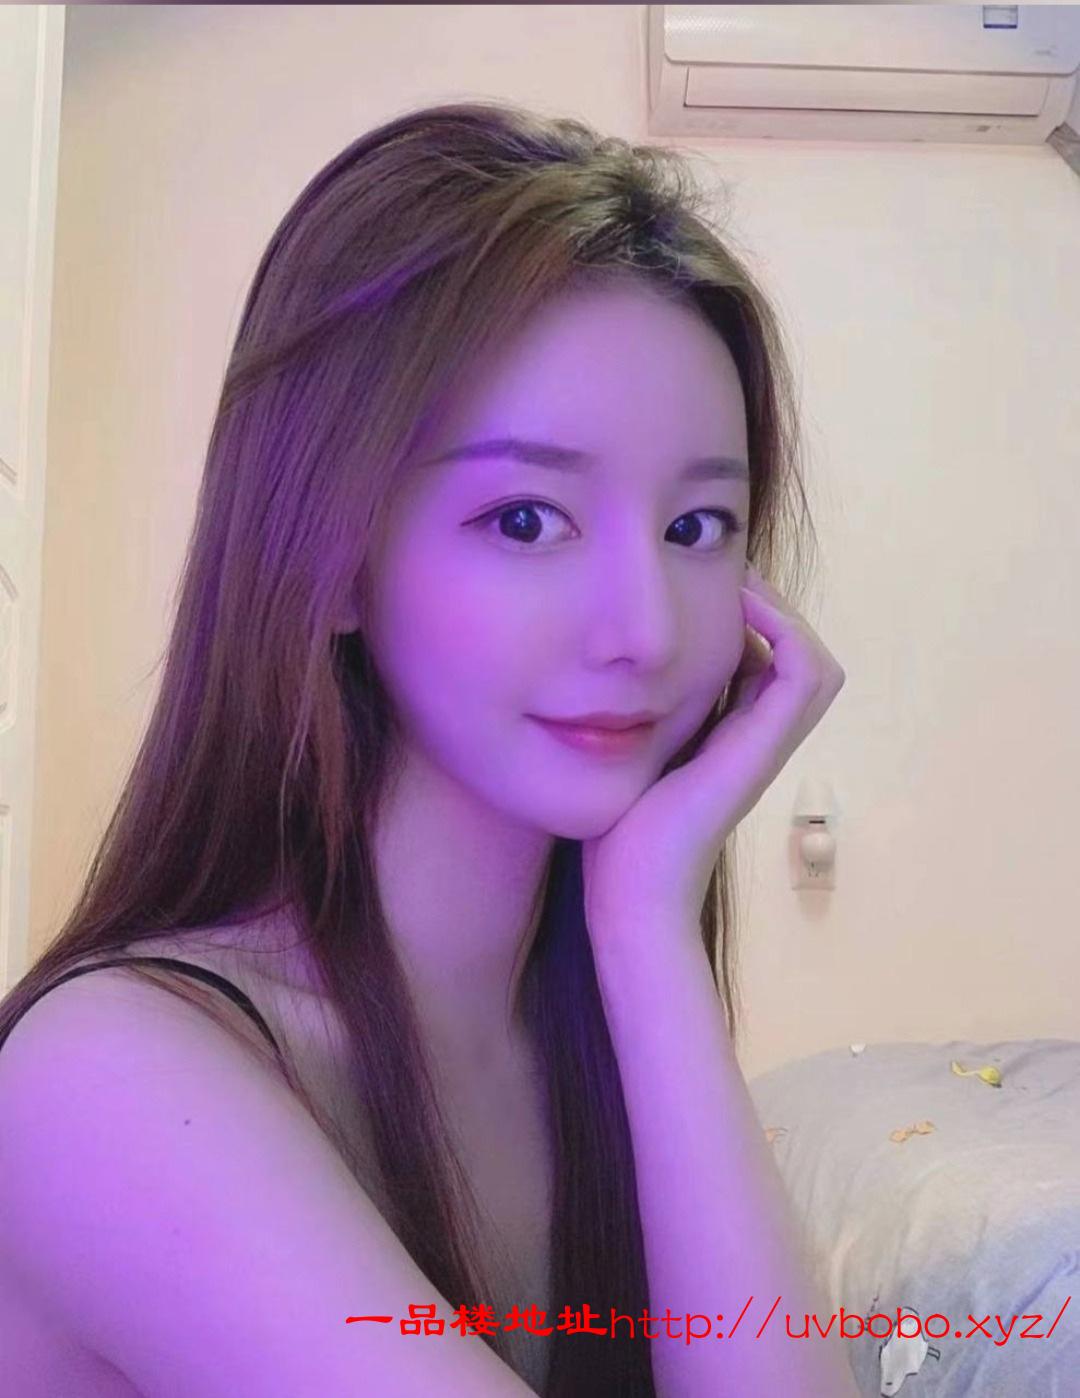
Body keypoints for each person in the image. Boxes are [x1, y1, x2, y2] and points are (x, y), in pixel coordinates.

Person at [0, 100, 854, 1396]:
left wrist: (647, 927)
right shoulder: (105, 1082)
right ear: (334, 554)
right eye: (526, 519)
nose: (643, 630)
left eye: (696, 527)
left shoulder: (576, 1028)